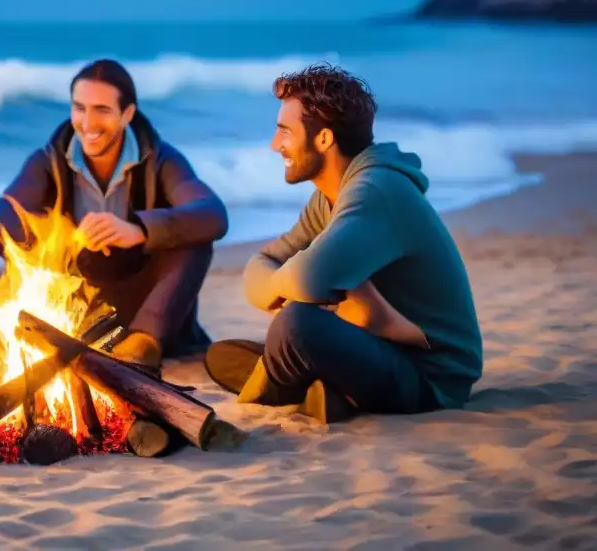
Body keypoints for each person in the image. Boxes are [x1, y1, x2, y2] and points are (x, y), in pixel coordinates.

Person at [205, 63, 483, 423]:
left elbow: (305, 279)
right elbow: (259, 266)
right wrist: (295, 288)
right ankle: (322, 391)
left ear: (323, 138)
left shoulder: (375, 191)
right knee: (263, 335)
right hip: (383, 349)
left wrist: (294, 292)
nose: (276, 146)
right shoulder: (328, 197)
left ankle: (283, 386)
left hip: (431, 377)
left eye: (284, 132)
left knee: (296, 324)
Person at [0, 59, 228, 371]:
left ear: (127, 114)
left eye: (102, 109)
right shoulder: (49, 161)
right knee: (20, 245)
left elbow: (213, 214)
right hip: (77, 305)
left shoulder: (161, 160)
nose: (87, 123)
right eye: (79, 108)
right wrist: (64, 235)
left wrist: (139, 229)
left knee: (194, 241)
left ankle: (140, 349)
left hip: (148, 310)